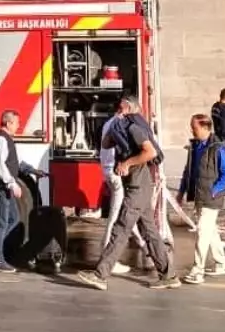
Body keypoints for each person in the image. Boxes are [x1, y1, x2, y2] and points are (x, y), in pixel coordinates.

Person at [76, 95, 178, 290]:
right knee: (149, 231)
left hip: (138, 186)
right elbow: (105, 144)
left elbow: (150, 152)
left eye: (121, 108)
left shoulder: (134, 128)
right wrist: (115, 125)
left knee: (121, 228)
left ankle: (100, 274)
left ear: (130, 108)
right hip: (137, 185)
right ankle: (168, 275)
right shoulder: (122, 128)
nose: (118, 110)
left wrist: (127, 163)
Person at [177, 113, 225, 284]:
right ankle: (221, 264)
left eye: (194, 127)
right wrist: (181, 191)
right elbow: (188, 171)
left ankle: (197, 269)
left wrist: (214, 190)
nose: (192, 130)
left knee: (203, 232)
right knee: (210, 231)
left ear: (205, 128)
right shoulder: (195, 146)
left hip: (211, 198)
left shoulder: (217, 148)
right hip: (199, 196)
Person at [0, 109, 44, 273]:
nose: (19, 126)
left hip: (4, 188)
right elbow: (0, 165)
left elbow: (13, 163)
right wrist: (12, 183)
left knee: (13, 218)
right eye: (17, 123)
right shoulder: (0, 139)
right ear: (8, 122)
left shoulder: (7, 139)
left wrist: (32, 170)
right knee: (2, 222)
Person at [98, 108, 146, 276]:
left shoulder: (108, 123)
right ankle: (107, 257)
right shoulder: (119, 124)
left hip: (108, 171)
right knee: (117, 215)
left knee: (126, 210)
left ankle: (142, 242)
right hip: (116, 173)